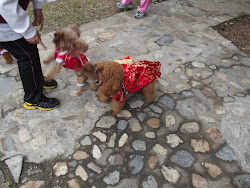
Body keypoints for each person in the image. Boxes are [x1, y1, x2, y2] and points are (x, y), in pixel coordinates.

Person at [0, 0, 60, 111]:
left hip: (10, 22)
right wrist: (27, 31)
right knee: (27, 56)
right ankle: (33, 100)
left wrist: (37, 6)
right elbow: (5, 4)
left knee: (30, 51)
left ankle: (38, 82)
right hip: (5, 25)